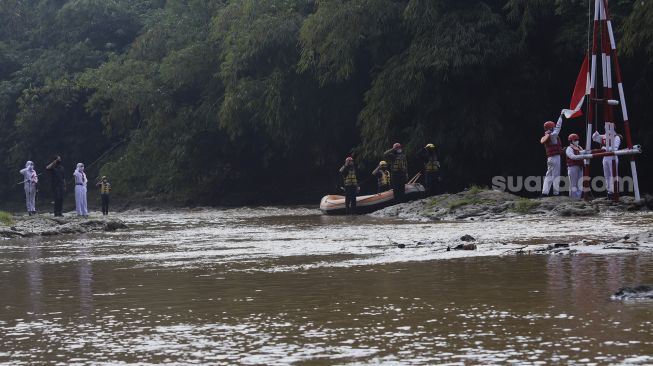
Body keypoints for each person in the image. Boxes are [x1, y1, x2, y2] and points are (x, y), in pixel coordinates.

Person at [540, 113, 565, 196]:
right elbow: (558, 127)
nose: (554, 127)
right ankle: (556, 193)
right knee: (556, 175)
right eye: (553, 126)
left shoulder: (546, 136)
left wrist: (561, 150)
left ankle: (544, 192)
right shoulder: (553, 135)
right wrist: (560, 117)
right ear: (551, 127)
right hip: (555, 158)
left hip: (549, 158)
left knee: (548, 176)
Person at [592, 131, 622, 199]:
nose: (605, 129)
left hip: (612, 157)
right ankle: (609, 192)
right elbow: (594, 138)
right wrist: (595, 134)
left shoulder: (616, 137)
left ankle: (615, 191)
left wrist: (605, 149)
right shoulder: (605, 136)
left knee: (613, 175)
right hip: (605, 157)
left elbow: (615, 148)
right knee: (606, 175)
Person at [565, 134, 583, 200]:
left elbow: (583, 155)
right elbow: (572, 156)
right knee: (573, 184)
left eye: (577, 139)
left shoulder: (580, 148)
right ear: (571, 141)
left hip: (580, 167)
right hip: (572, 167)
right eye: (575, 140)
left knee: (580, 183)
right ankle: (573, 199)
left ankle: (578, 198)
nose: (577, 141)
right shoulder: (569, 148)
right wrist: (582, 156)